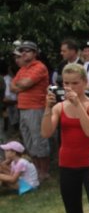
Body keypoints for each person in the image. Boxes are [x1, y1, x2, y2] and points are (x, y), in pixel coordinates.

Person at [41, 63, 89, 213]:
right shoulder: (59, 107)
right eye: (66, 83)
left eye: (75, 83)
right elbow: (46, 132)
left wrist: (78, 105)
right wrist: (47, 107)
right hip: (68, 164)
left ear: (84, 82)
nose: (70, 87)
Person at [10, 40, 51, 181]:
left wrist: (21, 85)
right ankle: (36, 170)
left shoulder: (39, 67)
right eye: (22, 51)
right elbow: (12, 86)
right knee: (28, 140)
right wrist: (22, 85)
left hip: (36, 108)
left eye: (27, 50)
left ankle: (44, 172)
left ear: (35, 53)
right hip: (23, 108)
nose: (24, 53)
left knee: (39, 139)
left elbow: (25, 83)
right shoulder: (22, 69)